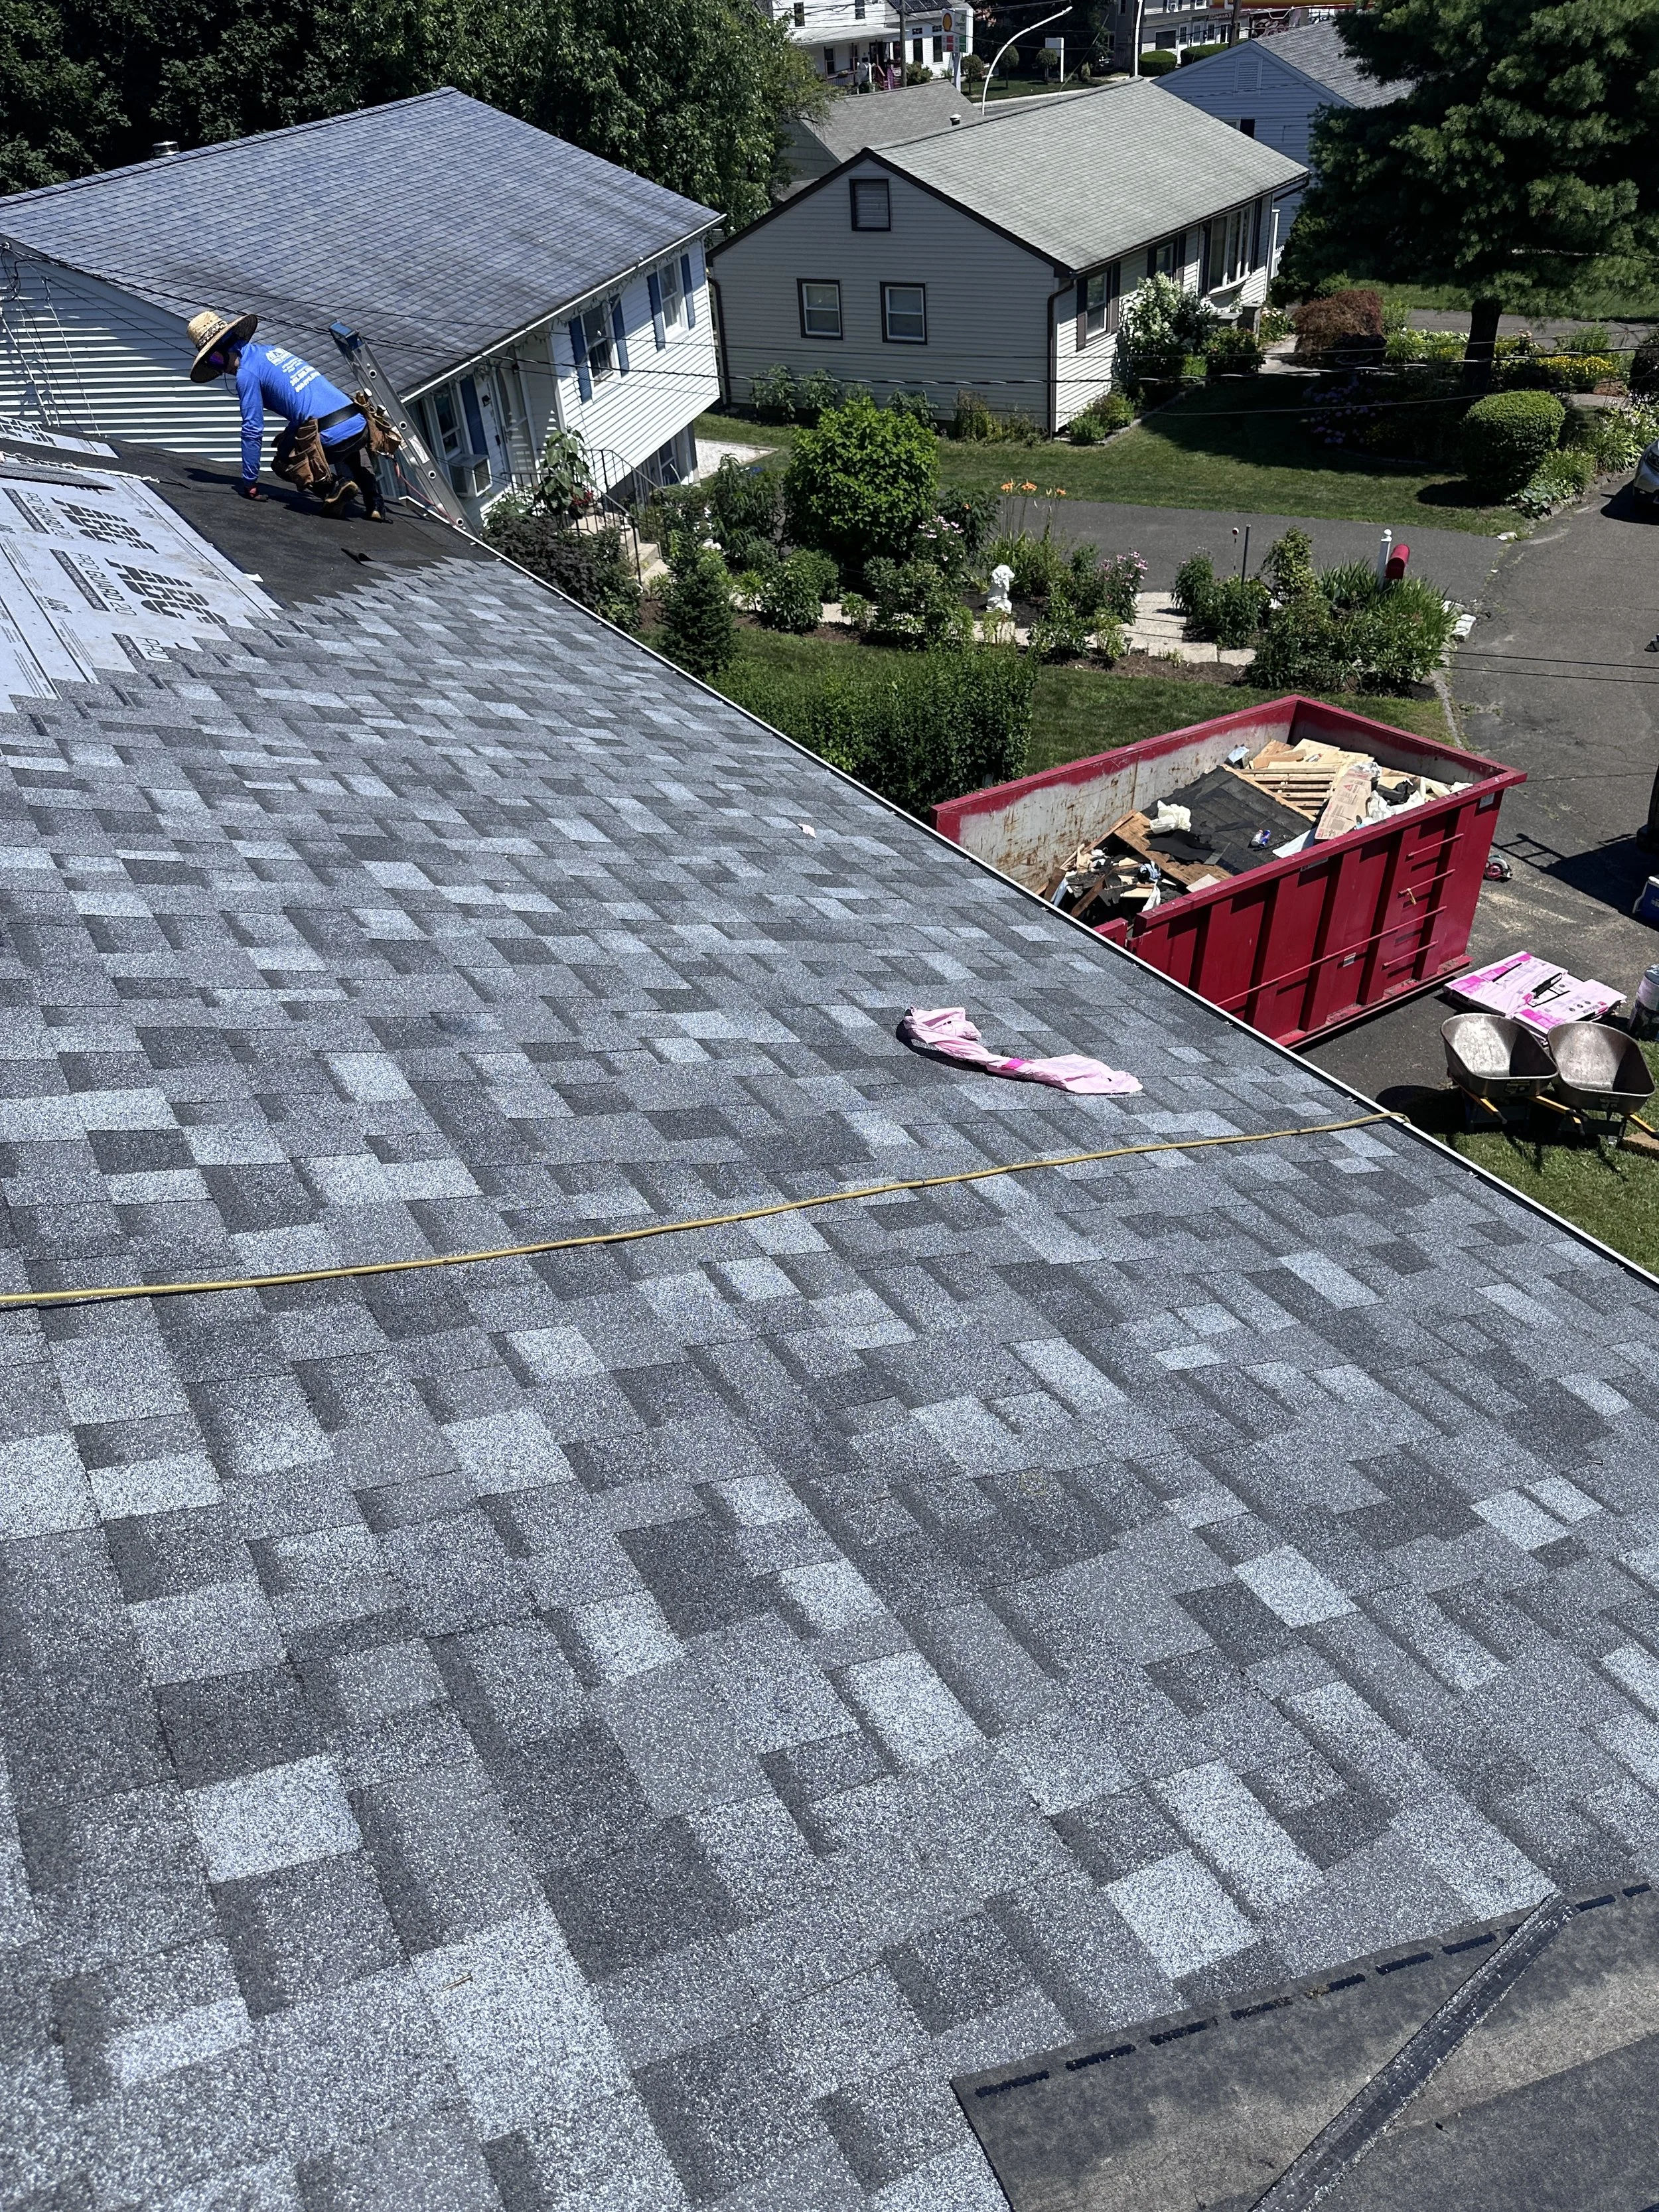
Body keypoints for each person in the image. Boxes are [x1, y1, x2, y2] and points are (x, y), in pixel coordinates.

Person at [186, 308, 386, 519]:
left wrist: (250, 481)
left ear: (224, 351)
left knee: (282, 463)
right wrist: (290, 435)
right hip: (359, 421)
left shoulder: (247, 373)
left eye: (216, 361)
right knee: (347, 437)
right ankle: (375, 504)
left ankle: (333, 488)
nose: (222, 370)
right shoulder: (274, 352)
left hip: (332, 435)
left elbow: (252, 429)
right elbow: (304, 403)